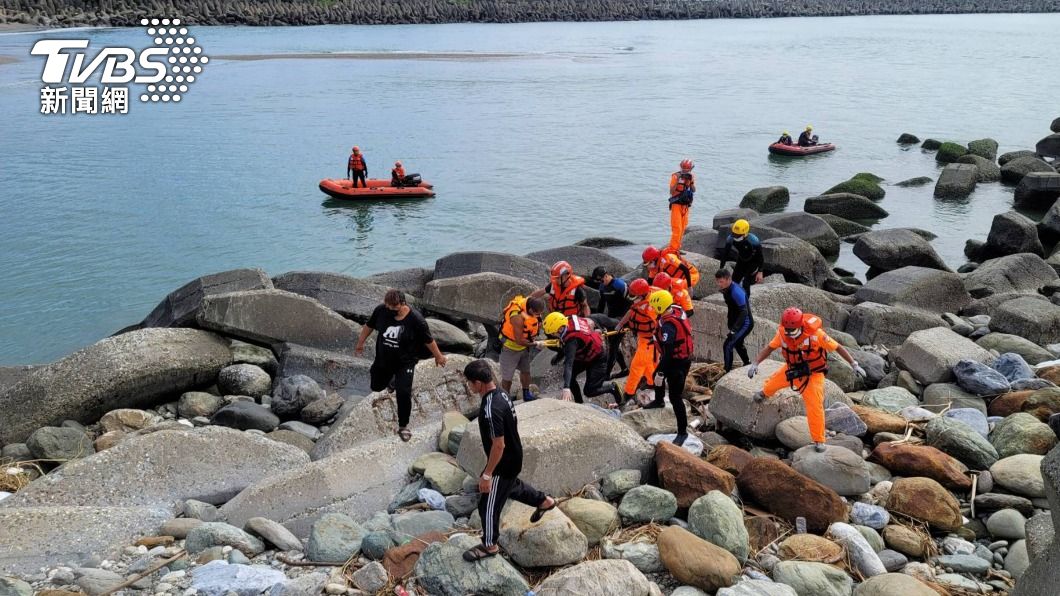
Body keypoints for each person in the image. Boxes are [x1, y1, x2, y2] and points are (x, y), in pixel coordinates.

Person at [461, 359, 558, 562]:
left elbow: (498, 445)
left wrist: (488, 474)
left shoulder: (490, 408)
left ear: (478, 383)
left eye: (470, 383)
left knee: (487, 505)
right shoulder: (502, 394)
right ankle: (544, 501)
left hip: (503, 462)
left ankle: (489, 545)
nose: (470, 387)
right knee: (512, 487)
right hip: (515, 456)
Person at [747, 307, 866, 452]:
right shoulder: (782, 334)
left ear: (800, 326)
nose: (789, 333)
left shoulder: (817, 335)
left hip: (813, 374)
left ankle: (819, 440)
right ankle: (764, 393)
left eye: (792, 330)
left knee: (815, 405)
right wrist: (756, 363)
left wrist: (854, 364)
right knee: (773, 383)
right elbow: (769, 348)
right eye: (787, 330)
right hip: (792, 368)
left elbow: (838, 347)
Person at [355, 289, 447, 442]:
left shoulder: (416, 319)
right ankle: (393, 381)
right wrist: (360, 343)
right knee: (376, 386)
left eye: (394, 307)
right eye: (388, 306)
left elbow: (428, 340)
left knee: (403, 392)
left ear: (403, 303)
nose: (390, 309)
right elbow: (369, 326)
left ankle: (403, 425)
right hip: (383, 359)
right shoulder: (381, 310)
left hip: (405, 362)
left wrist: (439, 356)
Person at [540, 312, 623, 406]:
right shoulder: (568, 319)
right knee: (570, 378)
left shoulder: (572, 341)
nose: (553, 335)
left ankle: (612, 387)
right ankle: (579, 402)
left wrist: (566, 388)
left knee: (589, 390)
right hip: (584, 353)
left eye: (553, 333)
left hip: (597, 357)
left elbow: (569, 364)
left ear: (560, 329)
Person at [644, 290, 691, 446]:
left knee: (675, 397)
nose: (651, 309)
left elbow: (669, 352)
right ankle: (658, 401)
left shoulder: (669, 326)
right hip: (676, 359)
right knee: (655, 375)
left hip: (677, 362)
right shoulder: (675, 310)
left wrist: (662, 372)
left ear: (660, 306)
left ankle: (682, 432)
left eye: (653, 306)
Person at [616, 278, 658, 405]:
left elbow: (659, 323)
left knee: (636, 366)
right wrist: (621, 324)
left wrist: (657, 339)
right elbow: (632, 311)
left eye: (634, 296)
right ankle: (652, 384)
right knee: (649, 364)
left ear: (642, 295)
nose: (632, 298)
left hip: (649, 341)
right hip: (642, 337)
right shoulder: (640, 300)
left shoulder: (651, 307)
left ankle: (629, 392)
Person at [497, 295, 546, 402]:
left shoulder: (532, 306)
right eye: (538, 313)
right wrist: (536, 343)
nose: (539, 316)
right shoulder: (517, 317)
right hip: (510, 348)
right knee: (507, 378)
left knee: (526, 372)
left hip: (524, 348)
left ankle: (526, 393)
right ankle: (505, 400)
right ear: (530, 310)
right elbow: (519, 340)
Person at [589, 266, 632, 378]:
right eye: (598, 281)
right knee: (611, 345)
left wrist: (626, 321)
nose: (600, 283)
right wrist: (596, 319)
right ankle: (624, 369)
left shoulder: (620, 285)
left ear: (606, 275)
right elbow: (602, 304)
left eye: (601, 280)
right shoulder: (602, 287)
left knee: (613, 345)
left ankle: (607, 374)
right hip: (611, 318)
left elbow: (630, 304)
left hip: (622, 318)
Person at [716, 268, 753, 372]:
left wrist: (734, 330)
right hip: (736, 322)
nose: (719, 284)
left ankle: (726, 371)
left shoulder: (736, 291)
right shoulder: (726, 289)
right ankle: (747, 363)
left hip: (745, 323)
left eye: (721, 282)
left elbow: (744, 312)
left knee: (728, 345)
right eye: (717, 281)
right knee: (738, 343)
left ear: (728, 279)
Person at [717, 219, 763, 298]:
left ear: (745, 234)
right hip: (741, 260)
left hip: (753, 262)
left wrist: (760, 272)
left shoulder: (754, 241)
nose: (735, 236)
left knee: (746, 283)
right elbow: (725, 254)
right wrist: (721, 268)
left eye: (738, 235)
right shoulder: (731, 239)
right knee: (734, 281)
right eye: (734, 234)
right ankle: (732, 298)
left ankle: (745, 302)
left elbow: (760, 257)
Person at [667, 159, 696, 252]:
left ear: (691, 168)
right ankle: (673, 249)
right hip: (676, 204)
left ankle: (677, 248)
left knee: (683, 227)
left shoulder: (691, 176)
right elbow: (671, 192)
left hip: (686, 206)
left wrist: (690, 181)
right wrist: (678, 179)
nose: (685, 170)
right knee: (677, 228)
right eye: (684, 168)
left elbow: (694, 190)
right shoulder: (675, 176)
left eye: (687, 169)